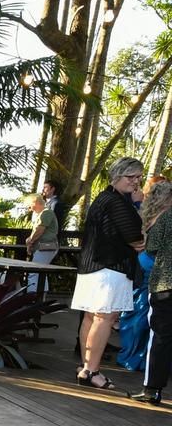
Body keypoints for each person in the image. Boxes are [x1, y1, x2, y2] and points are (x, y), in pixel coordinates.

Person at [71, 157, 145, 390]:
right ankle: (91, 371)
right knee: (103, 318)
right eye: (130, 177)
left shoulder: (105, 198)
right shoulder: (116, 202)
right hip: (108, 269)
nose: (136, 182)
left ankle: (86, 367)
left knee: (92, 317)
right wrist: (138, 207)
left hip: (94, 267)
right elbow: (137, 239)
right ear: (117, 176)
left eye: (139, 177)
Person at [129, 181, 172, 404]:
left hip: (165, 284)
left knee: (160, 337)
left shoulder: (165, 218)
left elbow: (152, 248)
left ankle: (152, 389)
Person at [26, 192, 60, 293]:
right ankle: (41, 297)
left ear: (35, 202)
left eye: (29, 204)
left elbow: (40, 230)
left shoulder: (46, 213)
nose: (28, 207)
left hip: (46, 246)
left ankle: (31, 297)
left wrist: (30, 241)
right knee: (41, 272)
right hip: (44, 246)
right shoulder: (42, 213)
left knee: (34, 271)